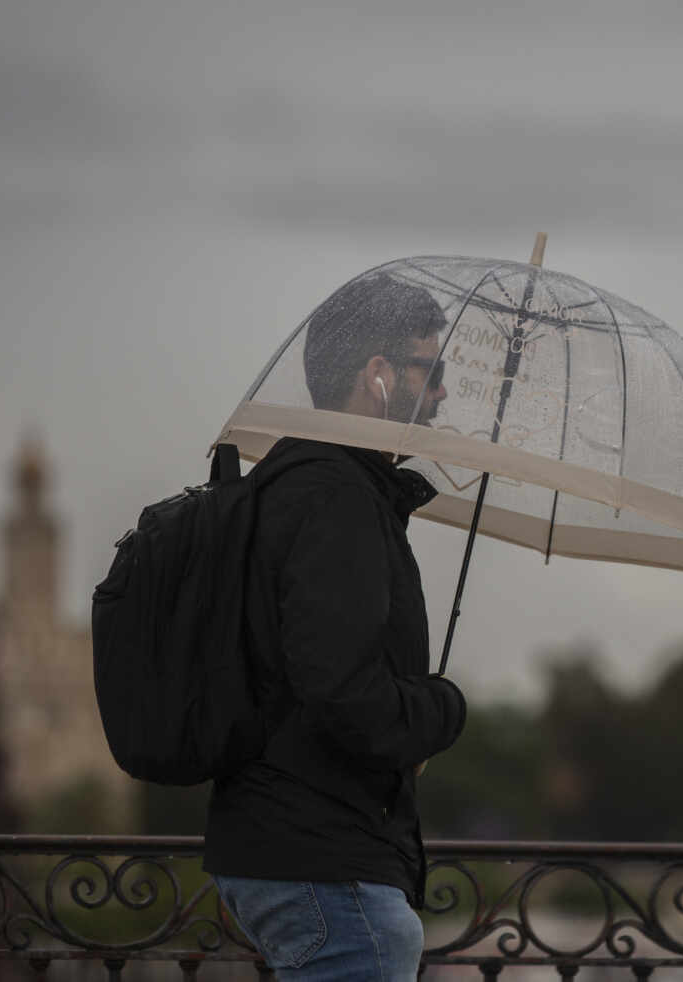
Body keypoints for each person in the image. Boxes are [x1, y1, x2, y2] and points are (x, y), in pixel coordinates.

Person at [206, 273, 466, 982]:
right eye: (430, 368)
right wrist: (443, 710)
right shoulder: (337, 499)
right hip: (325, 864)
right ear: (378, 375)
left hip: (288, 848)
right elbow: (341, 690)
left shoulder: (300, 483)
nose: (442, 391)